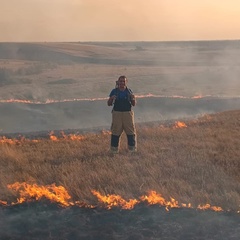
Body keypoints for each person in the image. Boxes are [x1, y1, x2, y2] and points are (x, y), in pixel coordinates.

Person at [107, 75, 137, 153]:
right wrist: (111, 98)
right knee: (115, 132)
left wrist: (133, 97)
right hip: (117, 114)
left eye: (123, 81)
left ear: (126, 82)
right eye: (120, 81)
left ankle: (132, 150)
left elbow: (134, 104)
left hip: (127, 114)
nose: (122, 83)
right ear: (118, 82)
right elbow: (109, 104)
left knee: (130, 132)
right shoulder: (114, 91)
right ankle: (114, 151)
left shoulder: (129, 91)